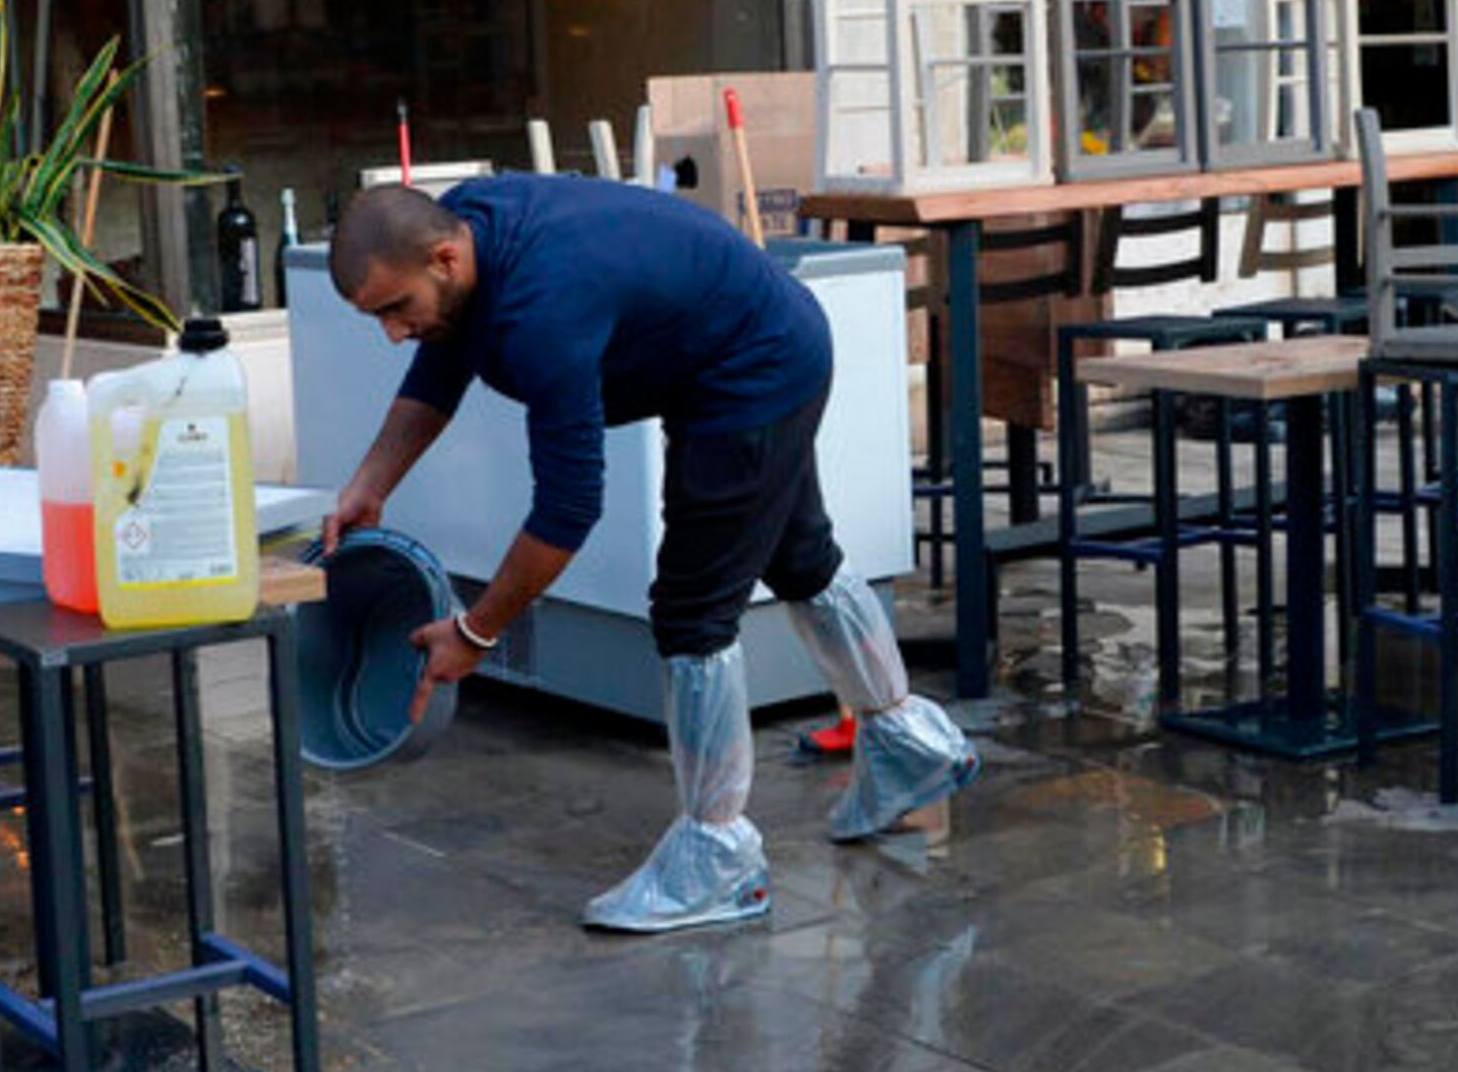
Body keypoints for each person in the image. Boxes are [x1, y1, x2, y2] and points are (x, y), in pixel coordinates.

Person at [318, 176, 974, 933]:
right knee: (799, 556)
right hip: (760, 342)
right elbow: (440, 362)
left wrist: (476, 633)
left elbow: (567, 510)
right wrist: (372, 482)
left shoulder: (542, 308)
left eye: (396, 309)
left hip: (751, 372)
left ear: (443, 258)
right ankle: (910, 749)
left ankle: (716, 857)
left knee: (693, 612)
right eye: (377, 318)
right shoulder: (468, 230)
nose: (393, 333)